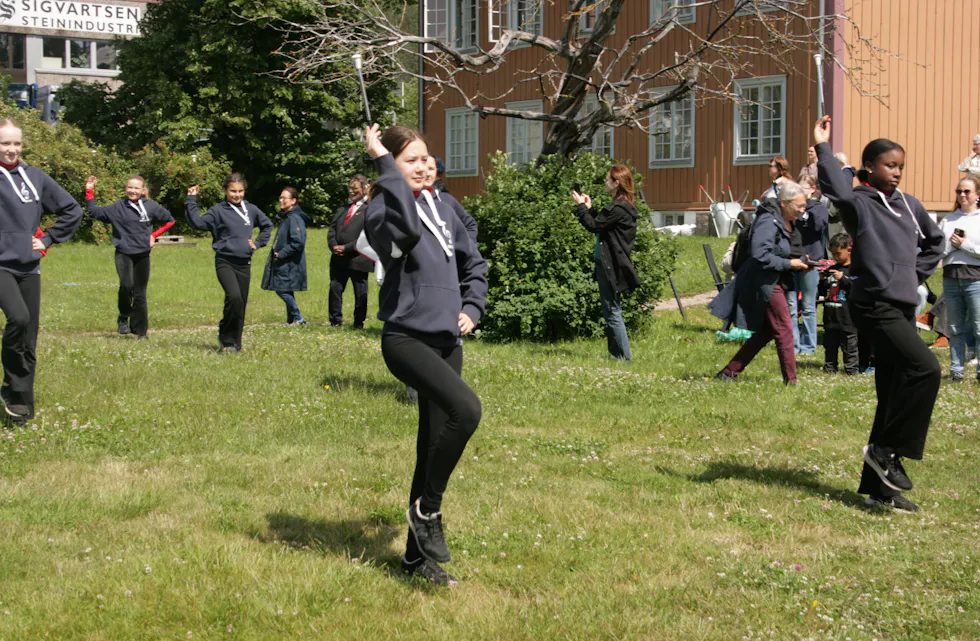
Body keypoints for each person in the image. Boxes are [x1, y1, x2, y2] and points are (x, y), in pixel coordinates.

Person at [363, 124, 488, 587]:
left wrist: (472, 306)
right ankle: (427, 511)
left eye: (426, 158)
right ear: (392, 166)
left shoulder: (445, 204)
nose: (424, 166)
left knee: (431, 447)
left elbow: (474, 261)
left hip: (446, 340)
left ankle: (416, 560)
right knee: (467, 409)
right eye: (411, 160)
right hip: (406, 338)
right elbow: (409, 235)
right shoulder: (381, 212)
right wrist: (382, 169)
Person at [815, 115, 944, 513]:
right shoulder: (860, 203)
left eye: (901, 166)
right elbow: (837, 188)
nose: (897, 173)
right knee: (926, 369)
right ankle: (887, 451)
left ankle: (879, 489)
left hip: (901, 305)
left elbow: (935, 243)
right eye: (890, 165)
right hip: (872, 304)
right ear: (870, 167)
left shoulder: (910, 205)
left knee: (891, 391)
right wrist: (823, 147)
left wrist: (908, 274)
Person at [0, 118, 83, 424]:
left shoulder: (34, 176)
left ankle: (21, 406)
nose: (12, 149)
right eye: (5, 143)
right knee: (18, 319)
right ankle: (12, 388)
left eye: (17, 143)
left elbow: (71, 209)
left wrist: (47, 239)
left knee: (29, 336)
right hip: (0, 266)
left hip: (29, 267)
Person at [710, 182, 813, 384]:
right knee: (784, 329)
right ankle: (791, 382)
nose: (802, 211)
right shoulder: (768, 221)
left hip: (774, 280)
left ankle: (728, 373)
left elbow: (783, 250)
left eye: (804, 206)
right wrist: (789, 263)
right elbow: (760, 255)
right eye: (799, 206)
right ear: (784, 203)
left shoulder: (785, 221)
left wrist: (801, 262)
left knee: (765, 333)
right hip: (762, 282)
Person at [185, 173, 272, 352]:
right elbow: (198, 223)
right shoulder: (218, 211)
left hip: (244, 262)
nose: (237, 195)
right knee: (234, 296)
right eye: (233, 191)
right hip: (225, 261)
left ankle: (235, 343)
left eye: (240, 191)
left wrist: (257, 243)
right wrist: (191, 199)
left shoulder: (251, 209)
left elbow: (267, 225)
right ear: (225, 191)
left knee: (240, 304)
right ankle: (226, 338)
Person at [84, 174, 175, 339]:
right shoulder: (118, 207)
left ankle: (141, 331)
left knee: (140, 293)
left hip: (142, 254)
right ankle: (123, 316)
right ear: (126, 189)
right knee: (126, 285)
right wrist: (89, 191)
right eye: (130, 187)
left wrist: (155, 235)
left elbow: (170, 220)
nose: (133, 191)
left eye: (136, 188)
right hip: (124, 252)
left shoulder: (150, 206)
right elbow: (93, 212)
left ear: (142, 190)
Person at [571, 165, 642, 361]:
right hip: (609, 262)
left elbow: (592, 226)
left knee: (612, 310)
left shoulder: (618, 207)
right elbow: (602, 224)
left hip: (609, 264)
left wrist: (580, 207)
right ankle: (617, 355)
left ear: (617, 183)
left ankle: (623, 357)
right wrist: (589, 208)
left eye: (608, 180)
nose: (605, 182)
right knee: (611, 309)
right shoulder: (622, 205)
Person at [938, 174, 980, 382]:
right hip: (951, 278)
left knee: (979, 326)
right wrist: (951, 245)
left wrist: (963, 245)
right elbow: (938, 251)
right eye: (959, 191)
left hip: (975, 279)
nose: (962, 195)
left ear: (977, 195)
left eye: (967, 191)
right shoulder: (948, 220)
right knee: (954, 327)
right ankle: (956, 372)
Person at [787, 175, 829, 354]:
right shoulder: (791, 208)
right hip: (792, 260)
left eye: (803, 187)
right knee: (791, 305)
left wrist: (805, 215)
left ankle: (809, 346)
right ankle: (793, 345)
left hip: (811, 261)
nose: (800, 190)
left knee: (809, 306)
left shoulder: (818, 208)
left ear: (812, 189)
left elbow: (819, 226)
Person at [261, 186, 311, 326]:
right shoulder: (287, 217)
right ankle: (292, 320)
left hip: (290, 262)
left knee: (281, 289)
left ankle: (299, 318)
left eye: (284, 198)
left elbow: (298, 242)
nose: (281, 201)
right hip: (284, 261)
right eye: (280, 198)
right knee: (286, 289)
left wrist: (281, 253)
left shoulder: (294, 218)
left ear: (293, 201)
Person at [328, 175, 372, 328]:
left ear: (365, 188)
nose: (352, 191)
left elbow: (368, 235)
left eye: (355, 188)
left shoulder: (369, 209)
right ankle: (335, 321)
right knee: (335, 288)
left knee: (360, 292)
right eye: (350, 188)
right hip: (338, 258)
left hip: (358, 258)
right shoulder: (343, 209)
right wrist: (334, 245)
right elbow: (332, 230)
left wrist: (346, 248)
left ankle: (358, 323)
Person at [821, 233, 858, 374]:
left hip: (848, 318)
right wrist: (822, 280)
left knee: (850, 346)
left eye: (838, 254)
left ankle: (851, 370)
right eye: (833, 254)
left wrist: (843, 278)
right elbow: (823, 291)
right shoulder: (832, 269)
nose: (835, 257)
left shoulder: (855, 270)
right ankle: (830, 368)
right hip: (830, 316)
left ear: (849, 249)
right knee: (830, 346)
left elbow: (856, 288)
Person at [423, 156, 478, 243]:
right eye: (424, 168)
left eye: (431, 169)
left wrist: (465, 249)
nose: (427, 173)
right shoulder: (407, 200)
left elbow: (469, 224)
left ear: (437, 175)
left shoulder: (446, 199)